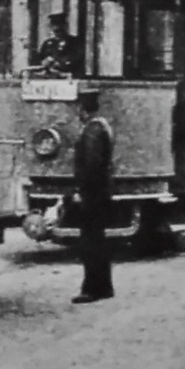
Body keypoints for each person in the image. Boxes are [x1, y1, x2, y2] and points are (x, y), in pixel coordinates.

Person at [71, 87, 115, 303]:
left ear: (82, 108)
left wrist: (81, 191)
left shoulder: (91, 131)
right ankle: (104, 287)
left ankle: (91, 288)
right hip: (101, 192)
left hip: (92, 193)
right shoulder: (102, 126)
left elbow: (90, 165)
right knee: (99, 239)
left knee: (90, 242)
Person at [35, 12, 83, 77]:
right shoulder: (47, 44)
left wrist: (58, 63)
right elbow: (40, 59)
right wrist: (45, 62)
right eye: (55, 31)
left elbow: (75, 59)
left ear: (65, 26)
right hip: (49, 78)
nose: (58, 34)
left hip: (69, 77)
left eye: (60, 31)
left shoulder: (74, 42)